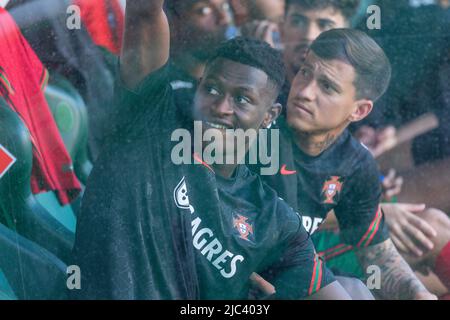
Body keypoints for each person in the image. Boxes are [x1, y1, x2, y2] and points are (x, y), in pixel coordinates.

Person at [72, 0, 351, 300]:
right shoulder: (149, 118)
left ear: (269, 115)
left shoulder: (272, 218)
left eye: (242, 99)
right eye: (213, 89)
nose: (220, 108)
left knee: (356, 288)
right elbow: (144, 11)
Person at [251, 28, 435, 300]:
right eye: (304, 72)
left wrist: (417, 293)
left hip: (286, 278)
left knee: (357, 291)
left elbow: (378, 256)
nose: (305, 92)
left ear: (359, 110)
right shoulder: (255, 125)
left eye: (327, 86)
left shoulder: (356, 165)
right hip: (219, 275)